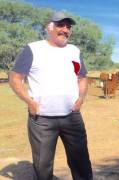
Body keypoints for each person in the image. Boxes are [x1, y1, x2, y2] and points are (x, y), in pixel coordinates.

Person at [9, 11, 93, 180]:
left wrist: (81, 99)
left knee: (81, 161)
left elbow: (82, 77)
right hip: (42, 120)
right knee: (42, 165)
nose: (65, 29)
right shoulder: (33, 49)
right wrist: (30, 102)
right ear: (49, 28)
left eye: (68, 27)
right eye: (60, 25)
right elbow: (15, 78)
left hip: (72, 117)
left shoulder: (74, 51)